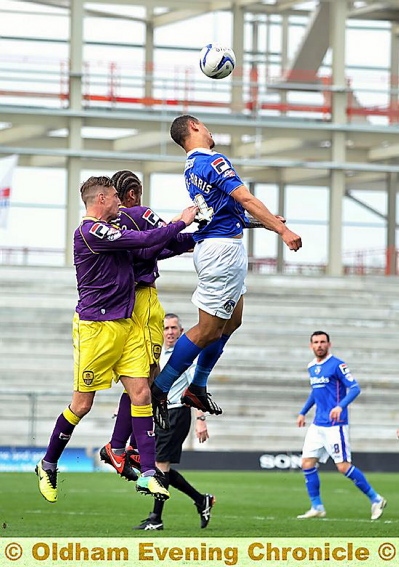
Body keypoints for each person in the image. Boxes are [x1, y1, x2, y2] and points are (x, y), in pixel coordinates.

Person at [35, 175, 197, 504]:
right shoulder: (90, 231)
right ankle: (48, 463)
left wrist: (202, 235)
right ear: (100, 200)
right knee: (82, 404)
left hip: (125, 325)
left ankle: (150, 472)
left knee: (140, 392)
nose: (118, 202)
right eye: (112, 197)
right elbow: (142, 241)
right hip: (95, 329)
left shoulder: (114, 229)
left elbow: (150, 247)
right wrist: (181, 221)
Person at [151, 114, 302, 429]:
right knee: (207, 330)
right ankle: (162, 387)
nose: (209, 129)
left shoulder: (192, 169)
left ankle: (198, 386)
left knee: (233, 320)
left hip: (222, 247)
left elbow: (226, 213)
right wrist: (281, 231)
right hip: (221, 253)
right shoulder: (213, 161)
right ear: (194, 127)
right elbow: (245, 199)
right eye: (205, 124)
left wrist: (267, 220)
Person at [99, 170, 195, 477]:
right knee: (147, 379)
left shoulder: (108, 226)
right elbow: (171, 238)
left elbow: (147, 250)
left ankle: (121, 445)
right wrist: (200, 235)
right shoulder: (141, 213)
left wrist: (175, 245)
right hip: (144, 302)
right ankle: (120, 446)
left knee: (137, 380)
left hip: (121, 303)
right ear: (133, 193)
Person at [133, 313, 215, 531]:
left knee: (160, 465)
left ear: (181, 331)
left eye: (174, 328)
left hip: (177, 413)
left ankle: (156, 518)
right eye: (166, 328)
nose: (170, 332)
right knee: (160, 466)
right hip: (158, 415)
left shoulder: (185, 357)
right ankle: (201, 499)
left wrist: (200, 419)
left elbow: (196, 388)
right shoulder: (157, 355)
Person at [296, 330, 387, 520]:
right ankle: (317, 506)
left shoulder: (338, 365)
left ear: (329, 344)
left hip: (335, 425)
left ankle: (376, 499)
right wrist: (303, 412)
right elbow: (315, 392)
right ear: (310, 345)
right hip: (317, 424)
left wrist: (340, 406)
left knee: (343, 466)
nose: (319, 345)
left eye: (323, 342)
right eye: (316, 342)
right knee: (306, 463)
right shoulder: (312, 366)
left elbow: (355, 388)